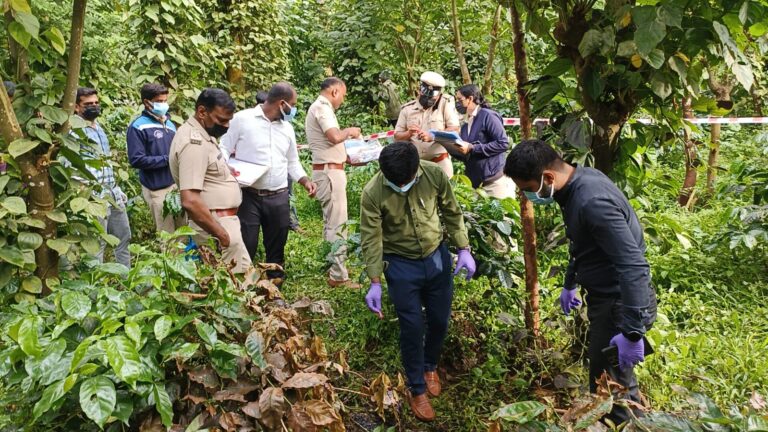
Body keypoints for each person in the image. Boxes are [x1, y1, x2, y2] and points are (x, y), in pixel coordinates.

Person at [503, 140, 657, 424]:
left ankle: (626, 425)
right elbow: (583, 241)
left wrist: (633, 331)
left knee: (612, 389)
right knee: (609, 379)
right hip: (606, 299)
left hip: (618, 305)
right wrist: (571, 281)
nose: (526, 196)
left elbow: (632, 264)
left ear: (548, 177)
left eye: (527, 189)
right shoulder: (577, 182)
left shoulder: (592, 202)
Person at [360, 142, 476, 422]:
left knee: (439, 320)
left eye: (407, 181)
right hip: (400, 265)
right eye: (395, 182)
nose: (402, 186)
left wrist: (463, 249)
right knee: (411, 326)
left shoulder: (434, 175)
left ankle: (430, 365)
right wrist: (375, 280)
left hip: (436, 258)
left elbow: (451, 210)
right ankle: (417, 387)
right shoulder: (373, 192)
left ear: (416, 168)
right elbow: (372, 237)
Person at [220, 82, 317, 282]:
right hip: (249, 195)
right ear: (282, 104)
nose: (294, 109)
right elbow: (223, 149)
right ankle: (243, 285)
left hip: (279, 196)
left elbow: (292, 161)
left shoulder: (287, 128)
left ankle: (274, 285)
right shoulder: (242, 120)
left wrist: (305, 180)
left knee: (277, 243)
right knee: (247, 242)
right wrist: (225, 168)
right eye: (293, 104)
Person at [169, 88, 250, 273]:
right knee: (226, 289)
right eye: (221, 120)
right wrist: (223, 235)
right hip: (215, 226)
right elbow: (190, 200)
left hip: (223, 223)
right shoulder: (193, 143)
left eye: (229, 121)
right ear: (202, 112)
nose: (227, 126)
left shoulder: (204, 135)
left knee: (244, 280)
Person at [305, 77, 362, 288]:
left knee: (331, 222)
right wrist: (350, 132)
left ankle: (331, 266)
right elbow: (334, 136)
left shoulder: (320, 108)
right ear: (335, 92)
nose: (343, 100)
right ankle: (338, 276)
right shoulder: (322, 107)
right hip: (329, 174)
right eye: (343, 96)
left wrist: (348, 157)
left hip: (329, 170)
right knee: (338, 224)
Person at [74, 87, 132, 267]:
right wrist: (84, 191)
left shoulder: (99, 128)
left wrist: (117, 189)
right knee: (97, 243)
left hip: (112, 194)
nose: (94, 106)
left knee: (124, 237)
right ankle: (95, 289)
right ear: (76, 107)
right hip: (94, 197)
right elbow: (69, 164)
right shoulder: (74, 131)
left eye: (96, 103)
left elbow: (105, 161)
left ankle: (126, 279)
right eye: (88, 104)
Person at [127, 83, 184, 233]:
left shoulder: (170, 124)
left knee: (183, 231)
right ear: (147, 102)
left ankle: (183, 258)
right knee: (167, 234)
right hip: (156, 189)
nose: (164, 104)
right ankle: (169, 257)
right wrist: (167, 159)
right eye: (159, 101)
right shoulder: (138, 127)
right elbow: (136, 160)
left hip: (175, 186)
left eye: (165, 100)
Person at [453, 84, 516, 199]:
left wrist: (473, 148)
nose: (457, 103)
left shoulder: (488, 116)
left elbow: (503, 143)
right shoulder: (466, 123)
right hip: (476, 185)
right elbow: (468, 153)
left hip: (495, 182)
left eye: (459, 99)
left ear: (470, 99)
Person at [394, 71, 460, 178]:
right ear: (419, 90)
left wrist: (433, 136)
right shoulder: (407, 109)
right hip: (416, 165)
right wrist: (409, 133)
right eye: (425, 94)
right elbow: (397, 136)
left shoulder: (445, 104)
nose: (428, 99)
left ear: (439, 95)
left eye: (433, 96)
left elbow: (455, 130)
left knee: (444, 193)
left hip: (440, 162)